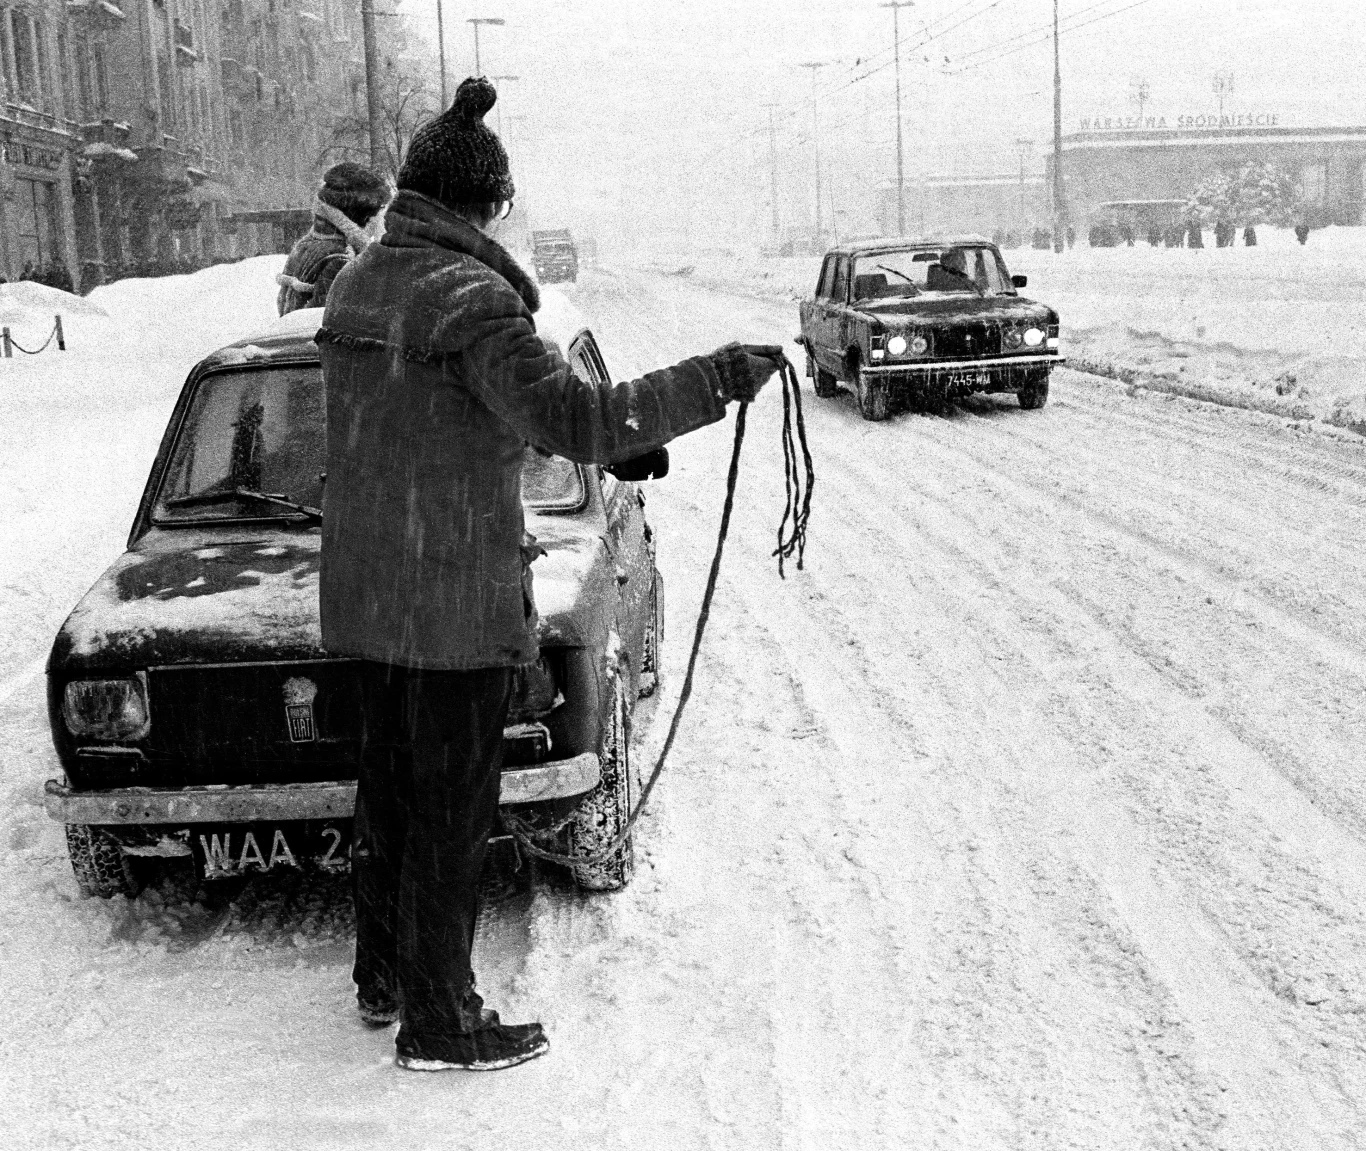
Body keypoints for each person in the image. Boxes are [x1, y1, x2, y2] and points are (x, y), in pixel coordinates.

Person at [315, 76, 781, 1073]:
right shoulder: (470, 298)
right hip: (446, 602)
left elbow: (434, 421)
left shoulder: (361, 285)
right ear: (483, 206)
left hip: (370, 593)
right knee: (452, 816)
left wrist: (617, 454)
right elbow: (572, 419)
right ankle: (440, 1021)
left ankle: (384, 973)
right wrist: (713, 379)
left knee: (390, 797)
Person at [276, 162, 390, 315]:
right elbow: (322, 319)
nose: (375, 219)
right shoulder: (341, 259)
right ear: (358, 214)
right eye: (373, 213)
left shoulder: (307, 244)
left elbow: (285, 304)